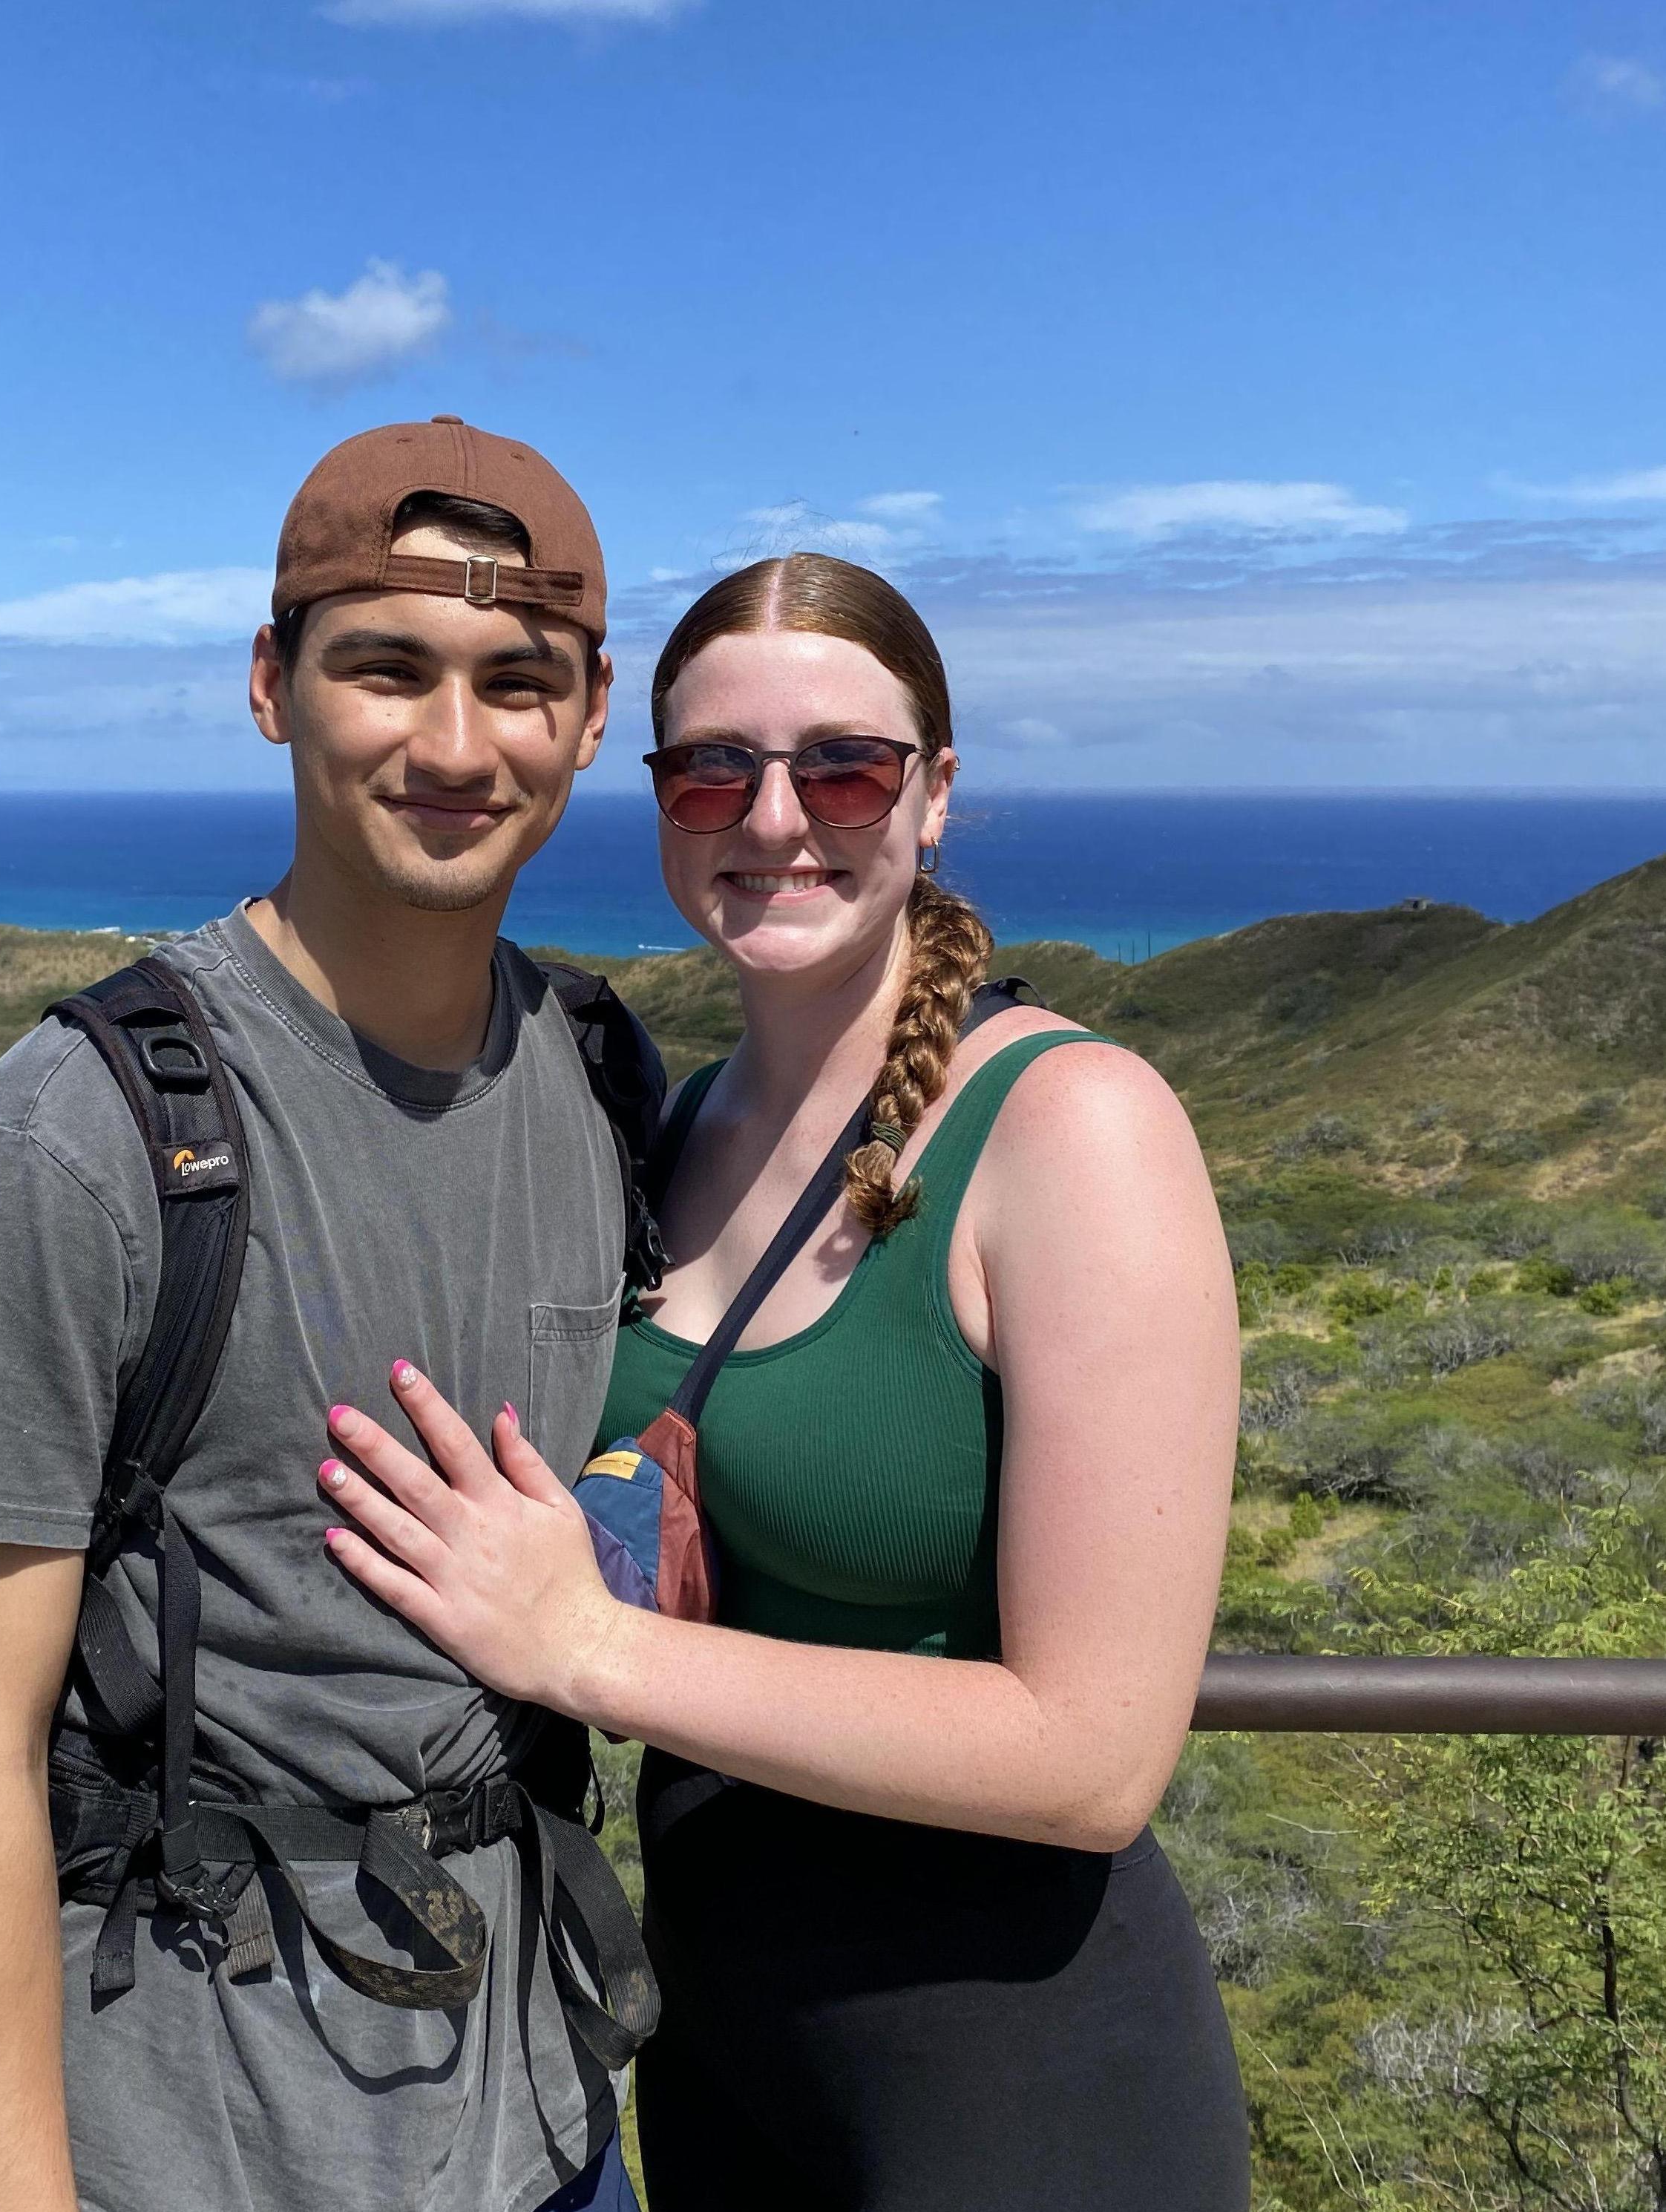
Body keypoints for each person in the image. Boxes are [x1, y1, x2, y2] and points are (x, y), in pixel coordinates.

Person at [316, 552, 1252, 2210]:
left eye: (841, 764)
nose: (773, 816)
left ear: (933, 793)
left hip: (1007, 2073)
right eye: (711, 769)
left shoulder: (1070, 1131)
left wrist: (583, 1643)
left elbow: (1095, 1754)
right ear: (659, 795)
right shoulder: (675, 1128)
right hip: (717, 2039)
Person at [0, 417, 650, 2212]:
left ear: (588, 718)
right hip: (190, 2151)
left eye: (518, 680)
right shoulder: (82, 1136)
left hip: (548, 2124)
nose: (453, 741)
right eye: (385, 668)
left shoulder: (595, 1077)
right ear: (272, 686)